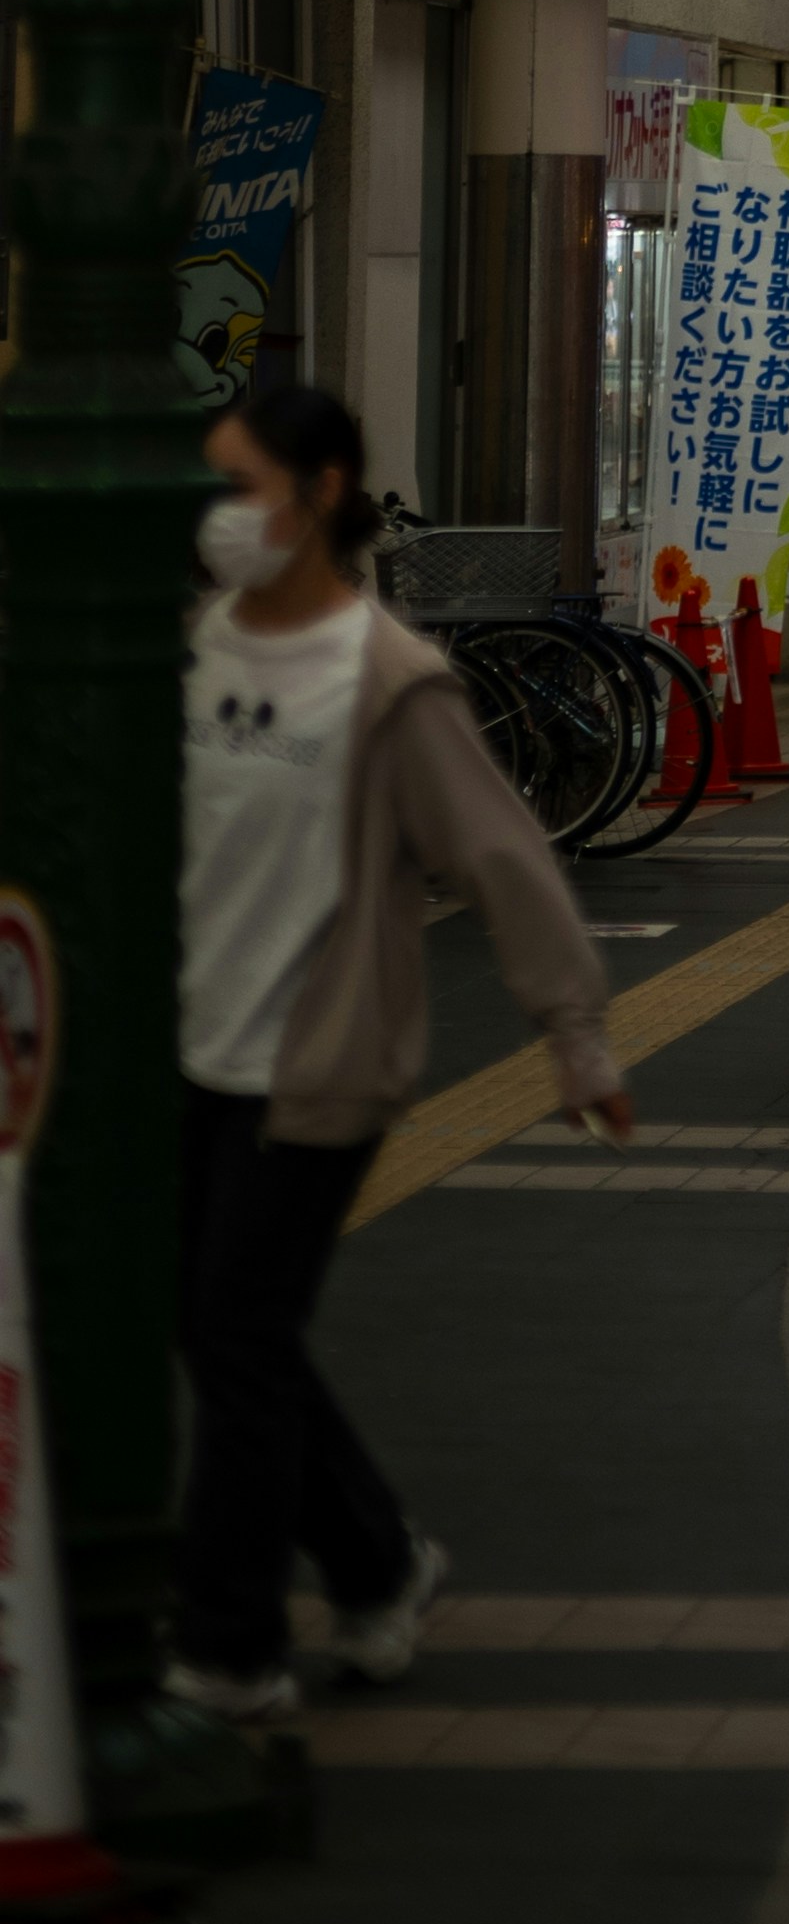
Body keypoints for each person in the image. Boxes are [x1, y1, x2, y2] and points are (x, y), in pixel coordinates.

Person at [169, 381, 635, 1734]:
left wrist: (578, 1036)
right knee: (209, 1329)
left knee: (239, 1339)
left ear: (321, 496)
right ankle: (378, 1560)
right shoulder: (203, 642)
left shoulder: (389, 682)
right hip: (193, 1046)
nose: (220, 521)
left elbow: (504, 859)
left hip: (319, 1062)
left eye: (240, 488)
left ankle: (229, 1645)